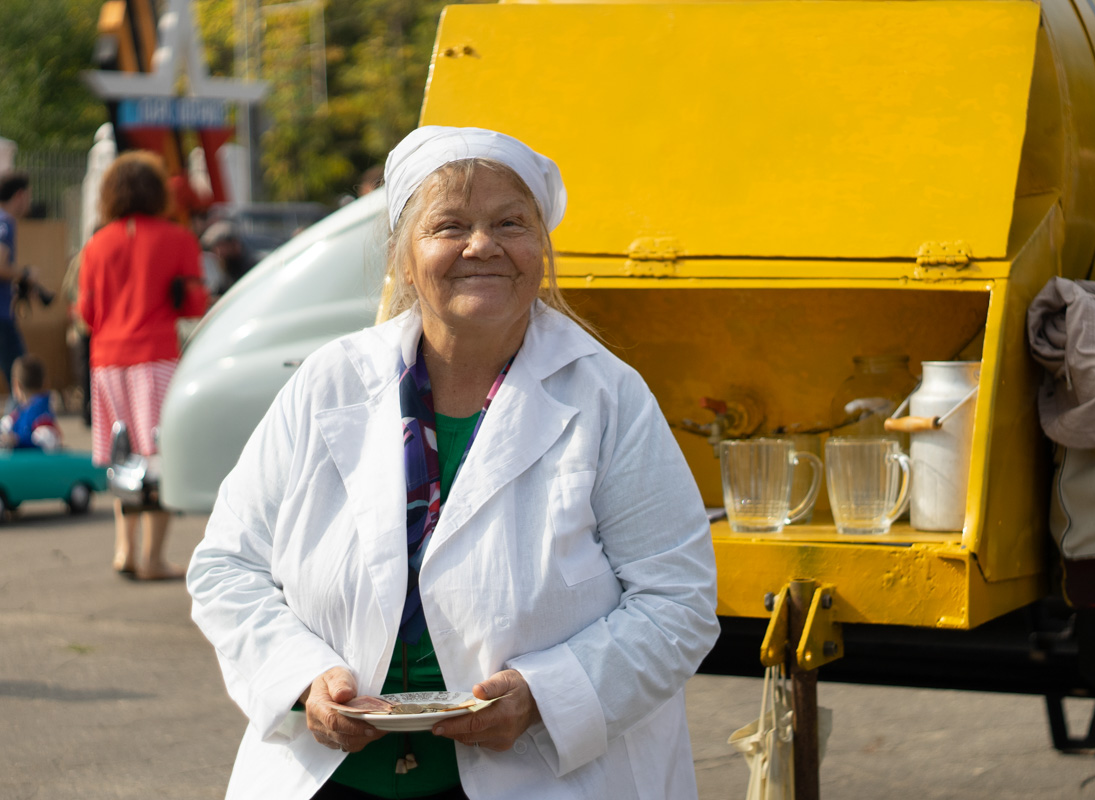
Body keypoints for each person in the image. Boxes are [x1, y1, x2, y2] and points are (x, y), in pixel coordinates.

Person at [187, 126, 719, 800]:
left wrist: (547, 695)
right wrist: (303, 680)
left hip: (542, 777)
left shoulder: (607, 396)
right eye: (449, 225)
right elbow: (228, 566)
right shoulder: (329, 384)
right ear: (404, 259)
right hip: (333, 777)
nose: (482, 245)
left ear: (542, 250)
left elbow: (677, 598)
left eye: (510, 223)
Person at [76, 151, 210, 581]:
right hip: (156, 357)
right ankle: (152, 558)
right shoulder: (177, 238)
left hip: (107, 361)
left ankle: (124, 550)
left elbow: (86, 313)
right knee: (157, 459)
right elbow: (195, 302)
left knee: (123, 457)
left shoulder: (96, 244)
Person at [0, 171, 31, 393]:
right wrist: (25, 274)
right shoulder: (5, 222)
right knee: (21, 377)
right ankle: (20, 414)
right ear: (20, 195)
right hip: (1, 315)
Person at [0, 355, 62, 451]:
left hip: (34, 458)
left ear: (17, 385)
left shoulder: (39, 413)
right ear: (45, 383)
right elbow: (6, 424)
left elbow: (46, 438)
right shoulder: (21, 410)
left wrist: (17, 440)